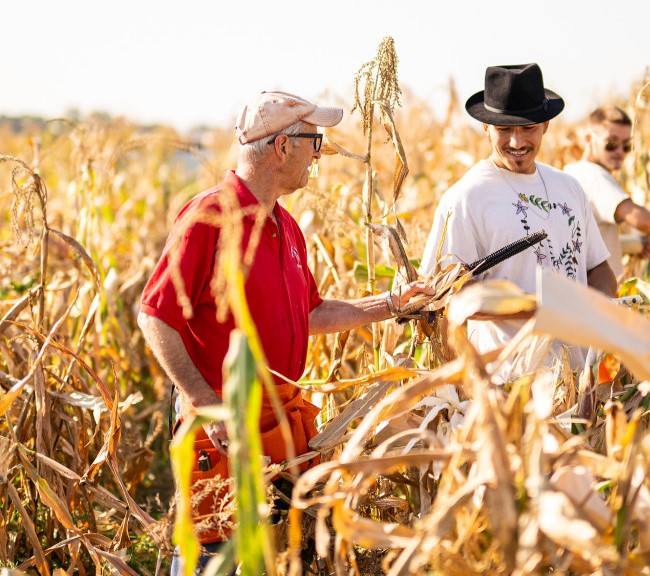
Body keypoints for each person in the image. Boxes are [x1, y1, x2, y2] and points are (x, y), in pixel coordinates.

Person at [137, 90, 431, 573]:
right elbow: (155, 315)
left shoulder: (285, 226)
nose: (319, 154)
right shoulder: (209, 218)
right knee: (214, 557)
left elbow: (310, 313)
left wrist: (392, 304)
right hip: (225, 429)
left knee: (283, 554)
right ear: (282, 147)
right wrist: (208, 405)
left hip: (281, 426)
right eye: (314, 142)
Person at [419, 63, 615, 379]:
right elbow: (455, 295)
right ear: (485, 127)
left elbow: (598, 268)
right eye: (505, 129)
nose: (516, 141)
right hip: (509, 384)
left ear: (546, 124)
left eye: (528, 128)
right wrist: (542, 309)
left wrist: (600, 306)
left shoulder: (569, 188)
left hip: (581, 380)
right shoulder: (466, 199)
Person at [563, 106, 650, 281]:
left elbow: (591, 243)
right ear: (588, 139)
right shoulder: (594, 176)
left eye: (626, 145)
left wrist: (637, 246)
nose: (619, 152)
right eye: (611, 143)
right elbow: (641, 220)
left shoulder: (570, 172)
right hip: (600, 296)